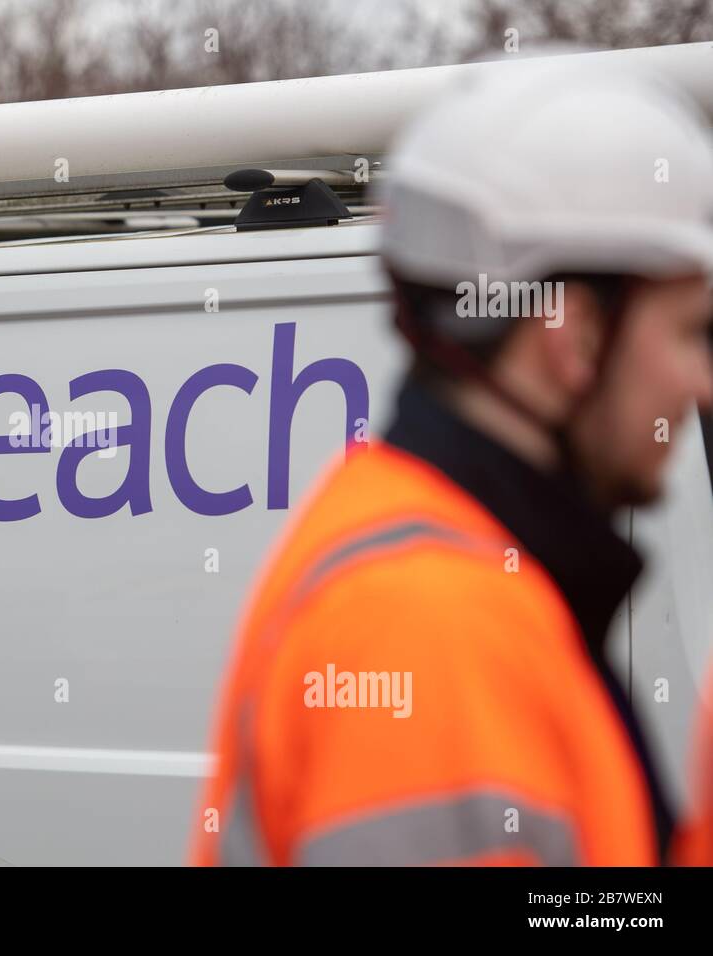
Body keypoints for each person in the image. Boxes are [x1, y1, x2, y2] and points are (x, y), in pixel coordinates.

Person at [193, 53, 713, 866]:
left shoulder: (466, 575)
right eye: (692, 334)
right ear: (570, 336)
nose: (702, 383)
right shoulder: (430, 630)